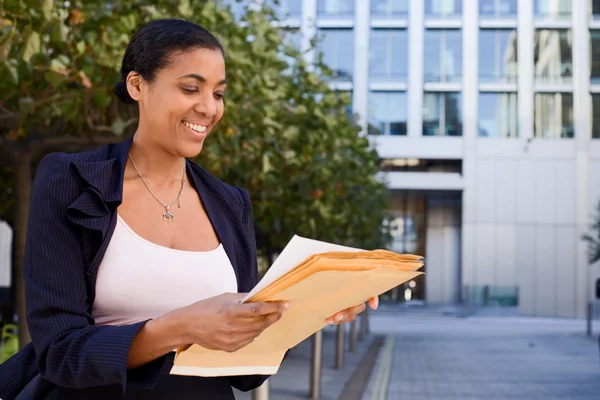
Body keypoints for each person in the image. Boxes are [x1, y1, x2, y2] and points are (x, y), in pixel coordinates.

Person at [0, 19, 377, 400]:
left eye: (219, 93)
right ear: (137, 86)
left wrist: (313, 307)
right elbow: (60, 353)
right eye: (190, 88)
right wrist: (181, 326)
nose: (209, 108)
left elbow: (248, 374)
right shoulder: (71, 180)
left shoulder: (230, 203)